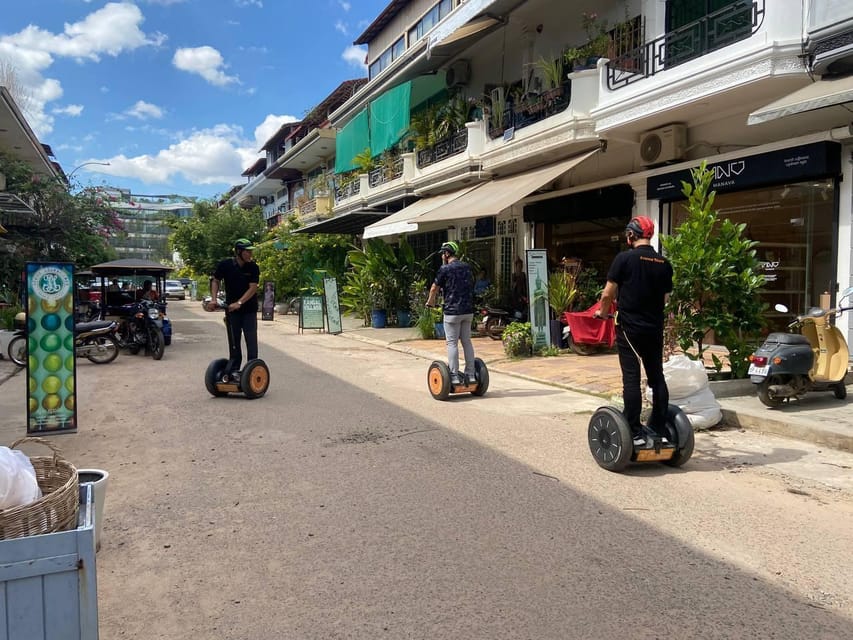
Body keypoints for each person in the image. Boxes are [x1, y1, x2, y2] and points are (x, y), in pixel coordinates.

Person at [594, 216, 673, 447]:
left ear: (631, 235)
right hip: (654, 328)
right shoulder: (664, 263)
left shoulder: (624, 259)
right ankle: (658, 428)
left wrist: (602, 312)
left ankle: (634, 432)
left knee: (631, 378)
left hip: (629, 328)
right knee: (656, 376)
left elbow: (608, 294)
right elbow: (666, 298)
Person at [206, 238, 260, 380]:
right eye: (247, 251)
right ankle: (234, 370)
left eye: (251, 251)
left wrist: (240, 302)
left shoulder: (253, 267)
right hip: (232, 311)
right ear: (238, 252)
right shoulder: (225, 265)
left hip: (248, 310)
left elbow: (253, 288)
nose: (250, 254)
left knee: (251, 341)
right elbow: (215, 280)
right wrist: (213, 299)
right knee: (234, 343)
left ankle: (252, 370)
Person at [426, 241, 477, 386]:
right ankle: (471, 374)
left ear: (447, 253)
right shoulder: (467, 267)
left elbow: (434, 288)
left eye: (443, 253)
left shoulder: (445, 269)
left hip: (452, 312)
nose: (442, 256)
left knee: (452, 343)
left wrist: (430, 302)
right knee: (466, 341)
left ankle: (454, 376)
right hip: (468, 311)